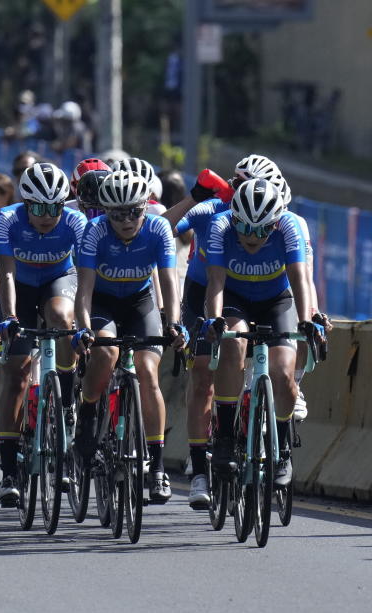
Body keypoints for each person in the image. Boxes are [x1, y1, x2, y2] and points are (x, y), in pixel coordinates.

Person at [72, 171, 186, 504]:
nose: (126, 221)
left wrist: (174, 324)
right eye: (117, 214)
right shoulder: (94, 231)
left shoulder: (158, 228)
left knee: (148, 372)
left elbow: (169, 283)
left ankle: (158, 466)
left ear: (145, 208)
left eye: (134, 212)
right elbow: (84, 292)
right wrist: (83, 329)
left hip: (140, 303)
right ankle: (89, 415)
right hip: (102, 304)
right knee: (105, 354)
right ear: (105, 212)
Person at [203, 179, 319, 488]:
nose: (253, 237)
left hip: (277, 301)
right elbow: (215, 284)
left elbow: (300, 279)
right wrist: (214, 320)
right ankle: (226, 437)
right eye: (246, 228)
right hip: (236, 301)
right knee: (232, 343)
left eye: (263, 230)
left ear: (276, 222)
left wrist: (307, 320)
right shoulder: (220, 226)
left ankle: (281, 450)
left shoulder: (290, 226)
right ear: (234, 218)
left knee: (283, 375)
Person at [0, 163, 87, 503]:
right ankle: (8, 470)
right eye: (38, 207)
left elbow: (89, 272)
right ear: (25, 203)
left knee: (62, 317)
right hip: (19, 284)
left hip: (58, 280)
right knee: (17, 375)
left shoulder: (76, 221)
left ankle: (66, 391)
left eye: (55, 207)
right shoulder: (9, 219)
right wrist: (9, 317)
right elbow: (4, 275)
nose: (47, 216)